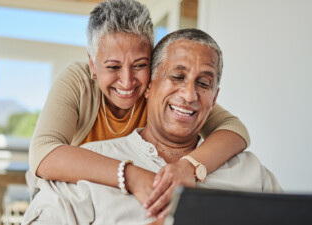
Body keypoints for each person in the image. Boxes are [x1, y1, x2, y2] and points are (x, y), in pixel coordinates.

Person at [22, 28, 282, 225]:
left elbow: (235, 129)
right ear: (149, 86)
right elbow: (44, 153)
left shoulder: (252, 174)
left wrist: (190, 167)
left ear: (214, 98)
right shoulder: (86, 172)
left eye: (203, 83)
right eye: (177, 77)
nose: (189, 95)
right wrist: (130, 176)